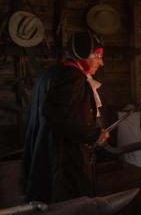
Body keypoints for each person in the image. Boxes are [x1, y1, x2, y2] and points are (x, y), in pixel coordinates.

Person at [23, 31, 110, 203]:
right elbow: (55, 113)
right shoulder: (72, 77)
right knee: (73, 206)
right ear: (83, 55)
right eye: (98, 56)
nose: (101, 62)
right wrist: (93, 134)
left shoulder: (49, 74)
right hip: (64, 164)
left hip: (44, 157)